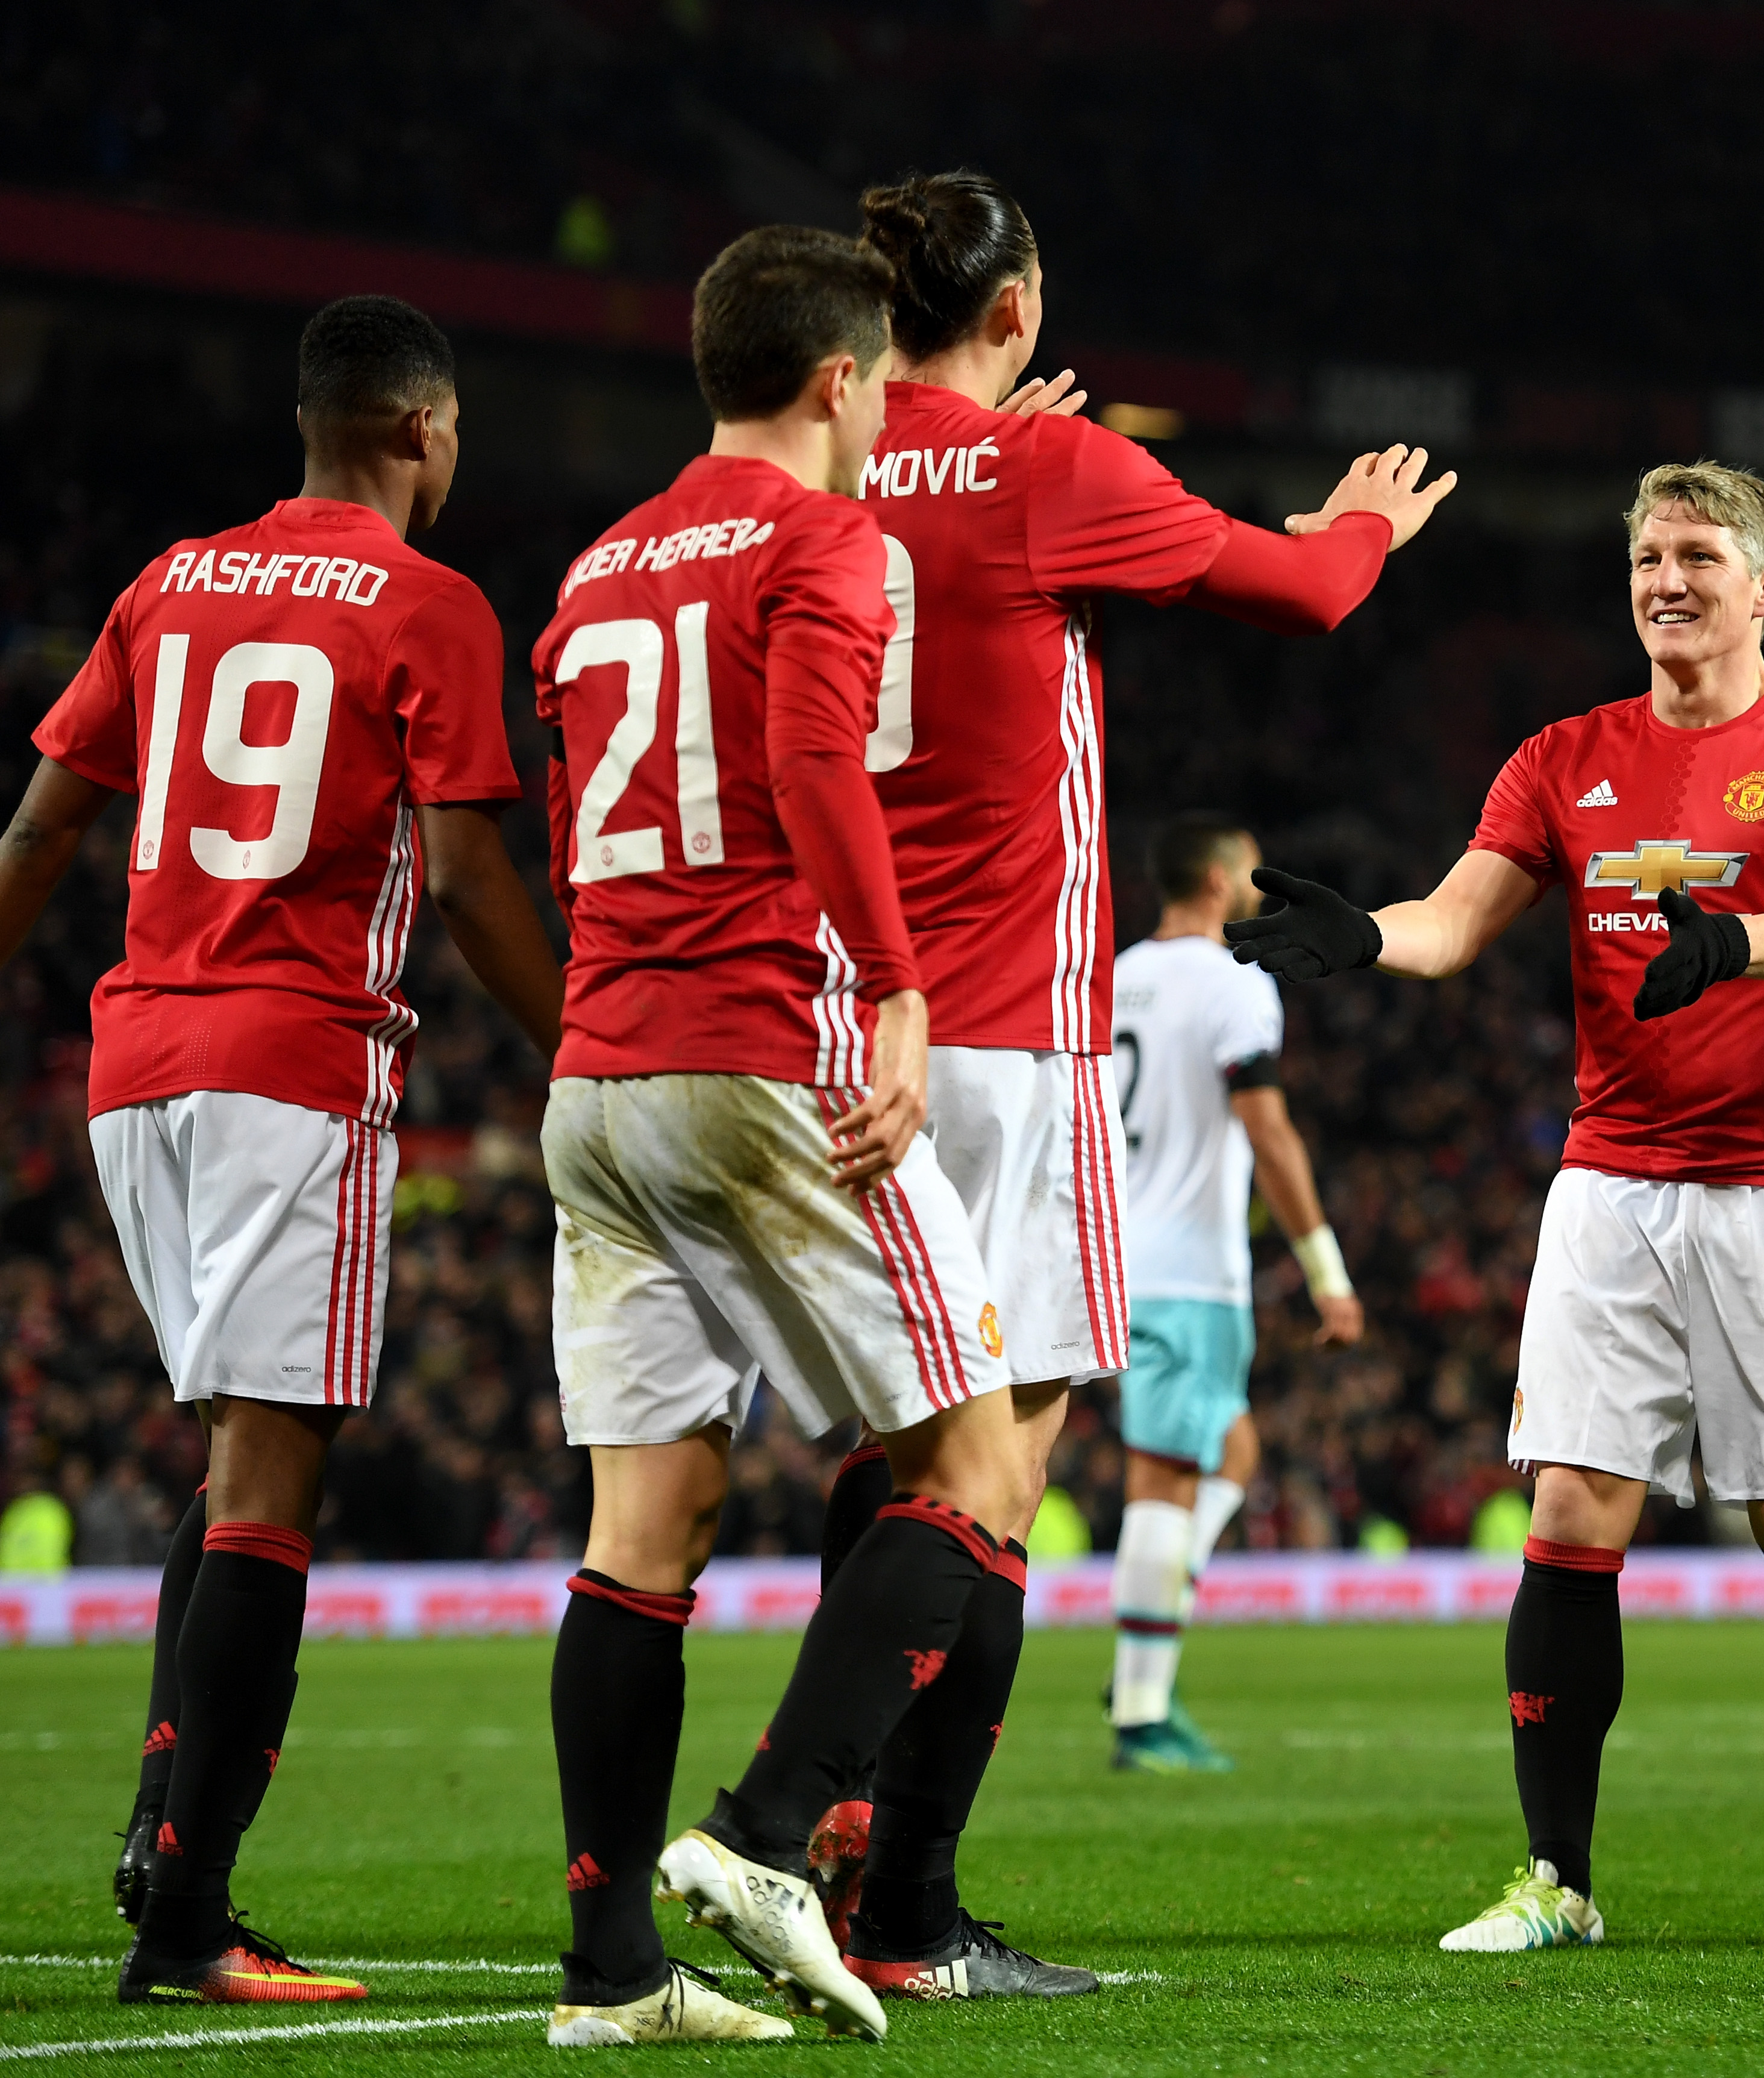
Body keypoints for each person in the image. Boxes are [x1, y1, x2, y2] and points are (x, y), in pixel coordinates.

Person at [791, 166, 1452, 1993]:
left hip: (844, 1027)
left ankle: (841, 1841)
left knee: (894, 1439)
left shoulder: (813, 464)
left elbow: (931, 508)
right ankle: (876, 1882)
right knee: (996, 1482)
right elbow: (1305, 591)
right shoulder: (1050, 473)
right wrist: (1364, 520)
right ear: (1012, 316)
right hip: (1007, 1029)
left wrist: (989, 443)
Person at [1227, 461, 1764, 1948]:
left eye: (1697, 556)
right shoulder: (1564, 757)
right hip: (1613, 1182)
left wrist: (1729, 947)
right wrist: (1365, 936)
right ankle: (1559, 1880)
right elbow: (1457, 917)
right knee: (1570, 1510)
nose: (1667, 580)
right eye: (1647, 559)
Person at [0, 295, 565, 2003]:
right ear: (419, 428)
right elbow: (467, 882)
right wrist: (586, 1045)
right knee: (269, 1483)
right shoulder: (429, 602)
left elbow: (41, 825)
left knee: (233, 1458)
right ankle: (188, 1917)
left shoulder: (171, 581)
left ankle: (163, 1825)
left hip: (133, 1066)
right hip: (291, 1059)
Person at [529, 224, 1049, 2046]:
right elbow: (820, 761)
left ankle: (612, 1980)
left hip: (597, 1078)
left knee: (642, 1525)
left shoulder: (596, 569)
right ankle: (761, 1836)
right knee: (975, 1469)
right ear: (844, 378)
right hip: (761, 1059)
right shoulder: (827, 539)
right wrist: (896, 987)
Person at [1104, 812, 1365, 1773]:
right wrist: (1327, 1272)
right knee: (1166, 1474)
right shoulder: (1234, 982)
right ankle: (1139, 1701)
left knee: (1229, 1449)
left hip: (1120, 1254)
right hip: (1186, 1269)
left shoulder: (1114, 976)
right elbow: (1269, 1130)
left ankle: (1150, 1632)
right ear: (1218, 879)